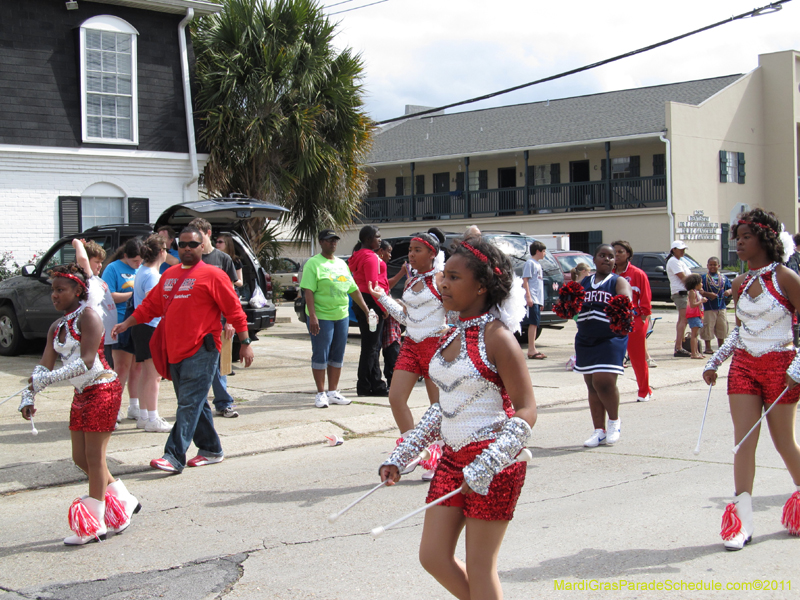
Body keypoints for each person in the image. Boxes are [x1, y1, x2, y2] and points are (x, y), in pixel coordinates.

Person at [379, 236, 536, 600]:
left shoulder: (499, 337)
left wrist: (488, 463)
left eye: (454, 277)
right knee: (433, 556)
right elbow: (445, 406)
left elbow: (527, 408)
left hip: (495, 464)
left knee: (480, 567)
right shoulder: (451, 332)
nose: (443, 284)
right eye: (443, 275)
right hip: (451, 459)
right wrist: (404, 453)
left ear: (482, 286)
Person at [111, 226, 255, 474]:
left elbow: (234, 311)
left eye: (192, 244)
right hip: (173, 349)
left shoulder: (214, 275)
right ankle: (211, 449)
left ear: (202, 247)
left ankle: (174, 455)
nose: (187, 248)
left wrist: (245, 343)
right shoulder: (169, 275)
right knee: (193, 402)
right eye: (182, 244)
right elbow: (150, 306)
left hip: (203, 349)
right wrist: (127, 323)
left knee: (188, 403)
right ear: (176, 247)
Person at [19, 264, 140, 545]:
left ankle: (94, 523)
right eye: (53, 290)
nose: (55, 295)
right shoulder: (56, 327)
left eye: (61, 290)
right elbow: (42, 367)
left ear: (78, 290)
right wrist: (29, 395)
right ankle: (124, 498)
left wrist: (49, 379)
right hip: (82, 393)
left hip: (103, 388)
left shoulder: (89, 317)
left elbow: (87, 361)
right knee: (79, 458)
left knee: (95, 458)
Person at [703, 208, 800, 550]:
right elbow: (740, 333)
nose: (739, 244)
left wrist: (797, 368)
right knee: (743, 441)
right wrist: (715, 360)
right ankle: (741, 522)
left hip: (782, 366)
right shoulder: (739, 283)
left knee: (783, 441)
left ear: (765, 239)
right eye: (737, 238)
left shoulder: (786, 277)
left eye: (746, 237)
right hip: (744, 366)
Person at [368, 233, 447, 481]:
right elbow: (405, 317)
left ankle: (438, 457)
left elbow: (455, 311)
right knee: (395, 398)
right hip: (411, 345)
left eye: (417, 250)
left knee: (438, 409)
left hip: (435, 346)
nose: (411, 254)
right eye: (410, 250)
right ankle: (411, 451)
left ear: (432, 253)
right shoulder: (412, 281)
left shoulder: (442, 279)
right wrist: (382, 297)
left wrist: (452, 331)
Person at [300, 229, 370, 408]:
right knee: (321, 353)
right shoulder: (313, 264)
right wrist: (313, 316)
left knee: (338, 354)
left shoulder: (341, 264)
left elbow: (352, 288)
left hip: (341, 316)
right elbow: (308, 291)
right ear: (321, 242)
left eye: (335, 240)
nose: (333, 243)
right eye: (329, 240)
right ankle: (320, 393)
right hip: (322, 316)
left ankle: (333, 392)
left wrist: (366, 309)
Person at [574, 244, 632, 447]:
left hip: (610, 338)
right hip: (585, 338)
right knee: (591, 384)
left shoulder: (618, 281)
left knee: (603, 382)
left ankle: (614, 421)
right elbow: (570, 305)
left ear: (615, 261)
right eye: (602, 255)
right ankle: (599, 430)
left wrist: (625, 303)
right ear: (595, 259)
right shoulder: (584, 282)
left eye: (611, 256)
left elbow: (626, 300)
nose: (607, 259)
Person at [189, 218, 239, 418]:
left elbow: (231, 294)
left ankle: (224, 403)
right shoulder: (193, 259)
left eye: (197, 234)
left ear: (207, 233)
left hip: (220, 321)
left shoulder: (223, 259)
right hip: (197, 322)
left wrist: (230, 320)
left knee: (221, 365)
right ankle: (198, 405)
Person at [131, 234, 172, 432]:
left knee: (146, 374)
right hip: (150, 327)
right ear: (162, 252)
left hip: (141, 326)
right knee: (154, 375)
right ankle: (152, 417)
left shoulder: (142, 270)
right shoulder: (153, 276)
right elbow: (154, 303)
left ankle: (145, 416)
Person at [102, 238, 144, 422]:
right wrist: (134, 294)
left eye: (140, 260)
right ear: (125, 256)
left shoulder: (142, 269)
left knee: (137, 367)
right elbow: (109, 295)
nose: (138, 264)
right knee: (121, 367)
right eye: (134, 261)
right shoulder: (113, 268)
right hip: (119, 321)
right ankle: (115, 406)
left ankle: (134, 406)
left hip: (138, 322)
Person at [348, 225, 389, 397]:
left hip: (361, 301)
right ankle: (364, 385)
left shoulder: (356, 255)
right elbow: (373, 286)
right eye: (377, 236)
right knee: (371, 347)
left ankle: (376, 384)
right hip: (372, 302)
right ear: (367, 239)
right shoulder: (370, 257)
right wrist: (384, 307)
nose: (380, 239)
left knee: (371, 345)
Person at [612, 240, 654, 402]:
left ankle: (644, 390)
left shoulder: (638, 274)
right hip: (613, 320)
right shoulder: (610, 275)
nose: (616, 255)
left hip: (634, 320)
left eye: (620, 251)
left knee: (637, 357)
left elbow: (645, 300)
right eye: (614, 252)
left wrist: (643, 319)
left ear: (628, 254)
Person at [74, 240, 117, 370]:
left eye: (101, 262)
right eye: (96, 262)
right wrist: (77, 244)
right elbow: (82, 259)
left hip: (108, 337)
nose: (100, 265)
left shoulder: (98, 279)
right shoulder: (88, 280)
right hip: (99, 339)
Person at [377, 240, 405, 387]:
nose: (390, 255)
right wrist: (402, 272)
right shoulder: (378, 267)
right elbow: (384, 290)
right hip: (388, 324)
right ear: (381, 251)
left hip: (393, 326)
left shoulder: (382, 267)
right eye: (388, 251)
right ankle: (391, 382)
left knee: (392, 353)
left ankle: (391, 381)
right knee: (391, 354)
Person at [700, 256, 732, 354]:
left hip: (721, 306)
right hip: (709, 307)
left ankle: (721, 347)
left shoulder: (723, 278)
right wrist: (708, 294)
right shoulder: (704, 278)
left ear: (718, 266)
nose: (713, 267)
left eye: (715, 265)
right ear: (707, 266)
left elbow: (731, 288)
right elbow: (700, 291)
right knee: (708, 327)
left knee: (722, 326)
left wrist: (728, 292)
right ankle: (708, 347)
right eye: (711, 265)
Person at [667, 240, 692, 357]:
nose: (682, 251)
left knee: (682, 319)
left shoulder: (680, 261)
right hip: (680, 293)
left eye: (683, 249)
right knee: (684, 319)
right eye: (680, 249)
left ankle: (680, 344)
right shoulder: (673, 261)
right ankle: (678, 347)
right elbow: (683, 278)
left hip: (684, 292)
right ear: (674, 250)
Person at [522, 241, 547, 359]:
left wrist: (541, 301)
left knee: (536, 323)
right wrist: (528, 296)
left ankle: (533, 348)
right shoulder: (530, 263)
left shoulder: (538, 265)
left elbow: (539, 285)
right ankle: (531, 349)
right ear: (537, 251)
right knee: (533, 323)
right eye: (543, 251)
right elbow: (525, 280)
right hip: (532, 298)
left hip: (537, 299)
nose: (545, 254)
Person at [684, 273, 706, 359]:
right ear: (696, 284)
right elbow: (692, 304)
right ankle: (693, 353)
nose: (702, 284)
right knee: (694, 334)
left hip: (697, 314)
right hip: (693, 315)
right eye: (700, 283)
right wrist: (701, 301)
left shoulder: (695, 292)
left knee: (696, 334)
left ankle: (696, 352)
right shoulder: (692, 292)